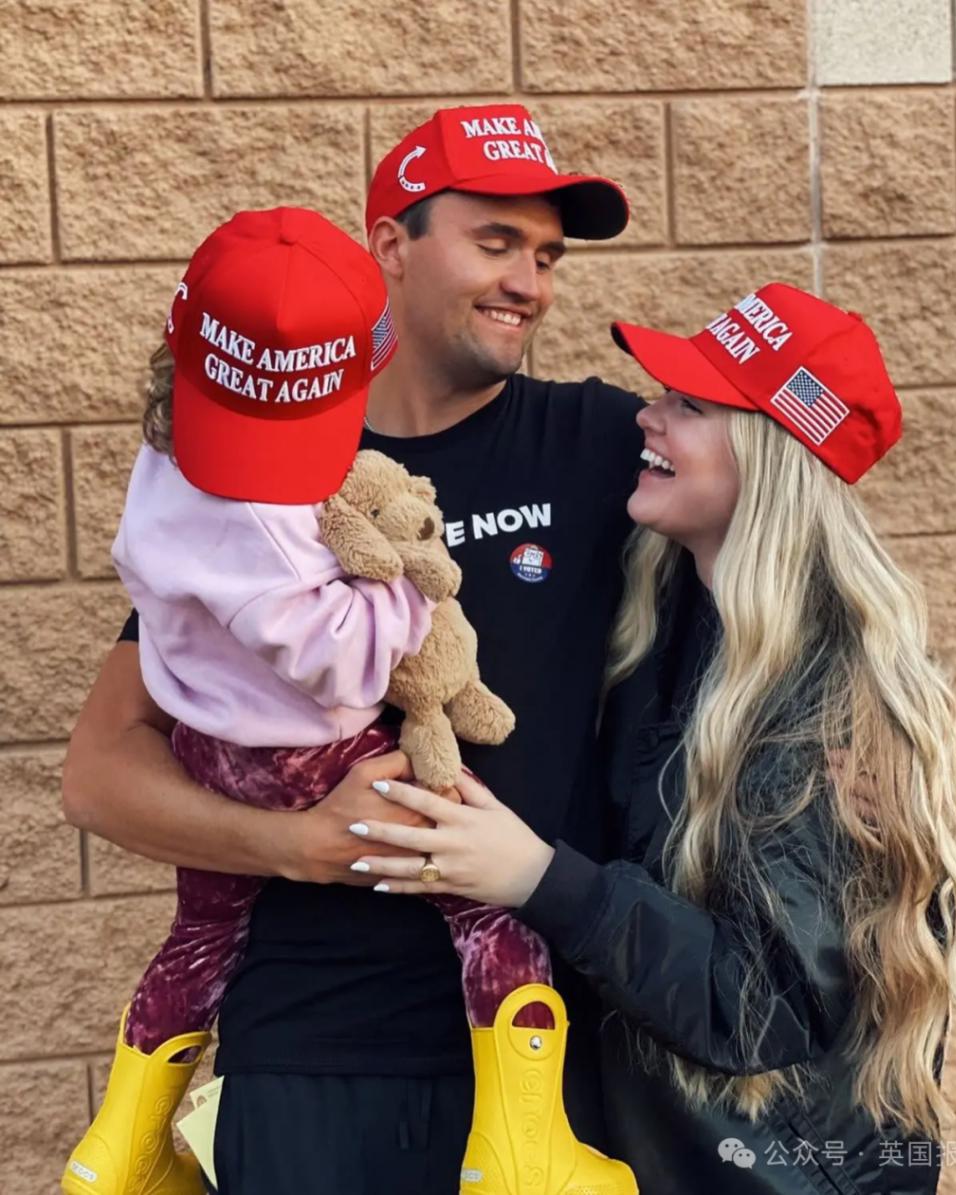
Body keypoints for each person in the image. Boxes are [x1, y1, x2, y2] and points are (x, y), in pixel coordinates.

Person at [62, 104, 657, 1194]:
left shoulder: (598, 444)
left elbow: (780, 524)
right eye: (495, 241)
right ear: (391, 243)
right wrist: (295, 842)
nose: (529, 281)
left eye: (546, 256)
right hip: (306, 1053)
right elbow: (99, 775)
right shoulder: (259, 469)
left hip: (535, 1059)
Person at [347, 283, 956, 1195]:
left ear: (770, 457)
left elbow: (761, 1006)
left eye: (690, 404)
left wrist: (533, 875)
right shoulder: (677, 615)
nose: (646, 416)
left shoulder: (827, 697)